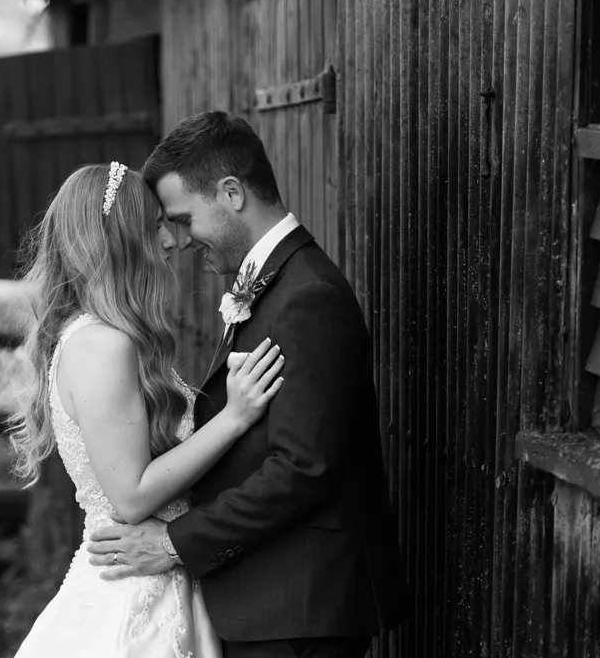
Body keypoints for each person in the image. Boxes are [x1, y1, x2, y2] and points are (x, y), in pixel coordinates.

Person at [87, 111, 409, 658]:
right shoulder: (273, 283)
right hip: (271, 601)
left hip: (300, 608)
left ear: (231, 193)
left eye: (184, 219)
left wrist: (172, 542)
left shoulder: (308, 296)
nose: (180, 241)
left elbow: (303, 468)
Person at [7, 161, 284, 658]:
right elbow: (131, 498)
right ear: (121, 239)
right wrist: (234, 418)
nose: (172, 241)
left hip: (163, 579)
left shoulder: (107, 337)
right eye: (156, 226)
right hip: (132, 596)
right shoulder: (101, 345)